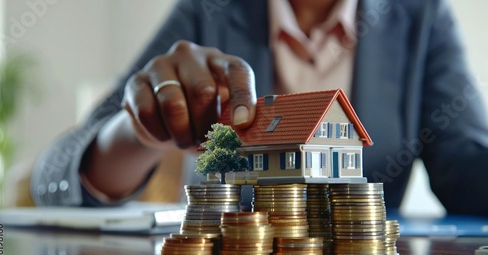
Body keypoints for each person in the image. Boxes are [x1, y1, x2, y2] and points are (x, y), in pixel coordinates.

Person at [30, 0, 488, 215]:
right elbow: (54, 175)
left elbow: (467, 169)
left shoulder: (422, 17)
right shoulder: (206, 12)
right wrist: (140, 132)